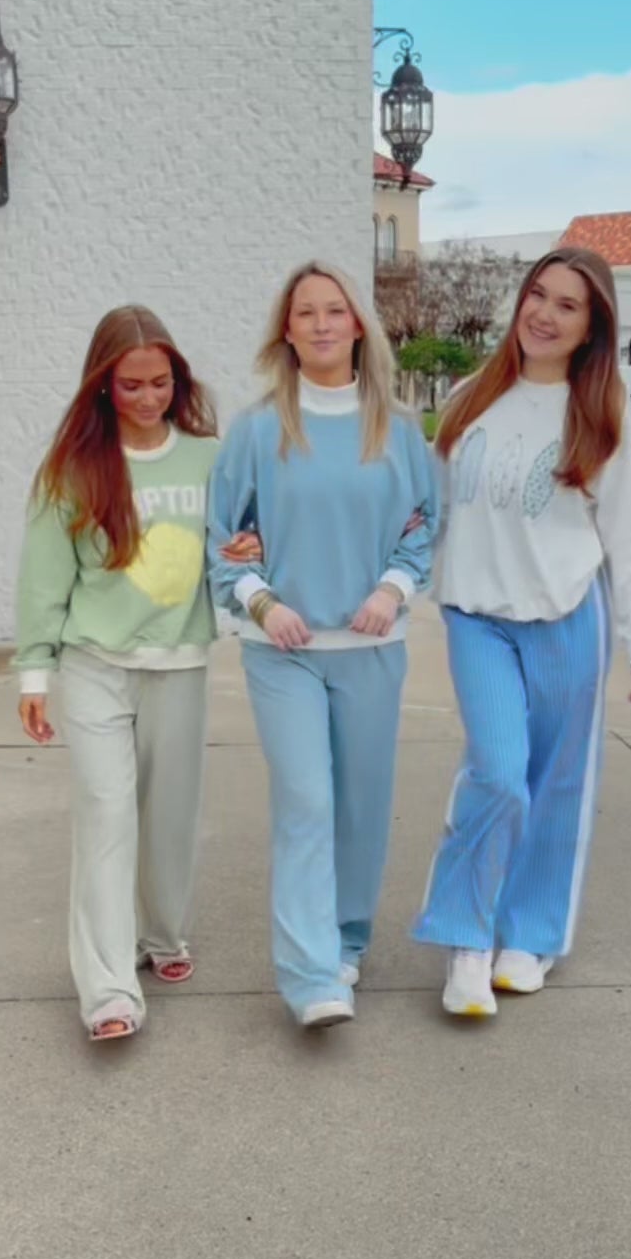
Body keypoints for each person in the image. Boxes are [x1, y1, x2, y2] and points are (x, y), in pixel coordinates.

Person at [412, 247, 631, 1018]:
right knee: (497, 772)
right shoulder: (469, 398)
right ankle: (466, 935)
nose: (545, 314)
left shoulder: (609, 413)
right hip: (476, 617)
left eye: (567, 305)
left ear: (593, 326)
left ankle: (530, 936)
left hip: (567, 618)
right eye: (538, 295)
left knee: (558, 783)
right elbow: (427, 506)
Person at [14, 306, 258, 1042]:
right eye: (131, 385)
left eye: (161, 383)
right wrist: (34, 673)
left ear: (177, 381)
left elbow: (242, 543)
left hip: (179, 663)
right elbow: (43, 578)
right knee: (106, 813)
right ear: (102, 385)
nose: (149, 398)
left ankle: (162, 934)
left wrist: (249, 550)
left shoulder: (209, 457)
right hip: (95, 662)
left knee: (171, 814)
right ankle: (109, 990)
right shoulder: (72, 469)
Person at [207, 261, 438, 1028]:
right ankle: (310, 977)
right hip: (284, 652)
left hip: (371, 648)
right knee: (306, 800)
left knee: (361, 807)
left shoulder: (397, 428)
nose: (321, 324)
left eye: (334, 310)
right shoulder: (257, 429)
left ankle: (346, 945)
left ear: (358, 323)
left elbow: (423, 528)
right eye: (305, 312)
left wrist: (391, 590)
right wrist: (261, 601)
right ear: (287, 329)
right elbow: (222, 537)